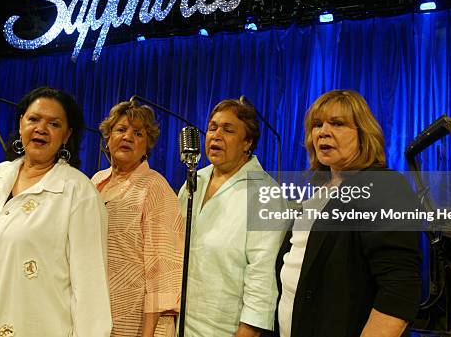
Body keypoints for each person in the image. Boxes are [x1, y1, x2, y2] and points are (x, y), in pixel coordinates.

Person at [0, 87, 111, 337]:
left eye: (54, 124)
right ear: (21, 124)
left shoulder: (79, 193)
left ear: (66, 135)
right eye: (34, 119)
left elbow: (91, 290)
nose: (41, 128)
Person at [274, 89, 421, 337]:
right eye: (317, 125)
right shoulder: (318, 193)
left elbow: (399, 290)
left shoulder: (385, 186)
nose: (323, 131)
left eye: (337, 123)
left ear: (364, 134)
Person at [178, 98, 285, 337]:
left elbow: (262, 277)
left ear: (248, 142)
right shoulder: (194, 181)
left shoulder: (265, 194)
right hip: (180, 323)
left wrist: (247, 332)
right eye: (212, 127)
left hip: (225, 329)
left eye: (228, 130)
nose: (216, 135)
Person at [91, 101, 184, 337]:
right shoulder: (95, 183)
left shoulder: (155, 187)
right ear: (108, 137)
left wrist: (148, 333)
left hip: (139, 324)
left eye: (138, 133)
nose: (128, 137)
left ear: (147, 146)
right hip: (98, 315)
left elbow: (164, 267)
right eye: (121, 130)